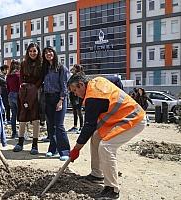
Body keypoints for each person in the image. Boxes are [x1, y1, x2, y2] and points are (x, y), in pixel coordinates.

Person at [68, 72, 146, 200]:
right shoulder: (96, 80)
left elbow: (88, 126)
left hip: (134, 118)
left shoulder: (93, 97)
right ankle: (97, 174)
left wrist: (76, 149)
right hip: (120, 117)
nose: (75, 94)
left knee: (106, 147)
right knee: (96, 137)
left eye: (75, 90)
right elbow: (115, 80)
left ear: (81, 84)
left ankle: (112, 190)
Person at [13, 42, 44, 155]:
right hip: (24, 92)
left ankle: (34, 145)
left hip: (36, 93)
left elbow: (41, 78)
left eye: (34, 51)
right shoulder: (23, 63)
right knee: (22, 118)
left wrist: (34, 88)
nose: (32, 53)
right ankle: (20, 142)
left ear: (38, 51)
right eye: (30, 51)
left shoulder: (41, 64)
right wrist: (24, 88)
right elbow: (21, 78)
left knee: (35, 119)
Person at [42, 46, 70, 161]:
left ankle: (64, 151)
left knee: (59, 125)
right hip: (48, 98)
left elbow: (64, 85)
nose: (48, 54)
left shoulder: (61, 68)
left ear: (54, 53)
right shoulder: (45, 68)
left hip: (59, 98)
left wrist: (61, 100)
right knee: (50, 125)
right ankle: (52, 149)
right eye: (46, 53)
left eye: (50, 52)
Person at [67, 64, 84, 134]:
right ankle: (75, 126)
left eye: (74, 68)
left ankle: (81, 127)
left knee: (79, 111)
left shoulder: (79, 76)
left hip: (78, 95)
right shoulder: (73, 76)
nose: (72, 69)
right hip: (72, 95)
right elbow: (68, 83)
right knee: (74, 111)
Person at [6, 60, 20, 139]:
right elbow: (20, 87)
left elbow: (7, 87)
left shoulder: (8, 76)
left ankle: (14, 133)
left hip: (10, 94)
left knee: (13, 115)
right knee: (21, 115)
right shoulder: (18, 75)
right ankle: (22, 132)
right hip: (18, 95)